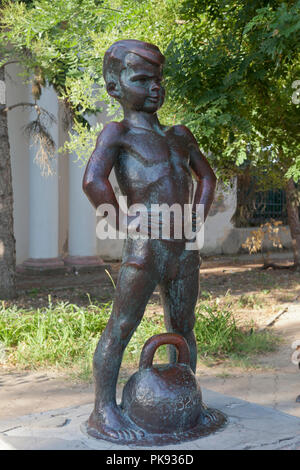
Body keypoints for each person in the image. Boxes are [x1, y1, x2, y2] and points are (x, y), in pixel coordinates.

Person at [83, 39, 217, 442]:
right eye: (142, 78)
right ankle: (104, 410)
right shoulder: (117, 133)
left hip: (183, 247)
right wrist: (123, 222)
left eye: (158, 79)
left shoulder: (179, 135)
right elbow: (93, 180)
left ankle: (186, 404)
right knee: (122, 325)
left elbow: (206, 177)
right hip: (145, 246)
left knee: (184, 325)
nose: (155, 87)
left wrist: (196, 216)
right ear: (114, 86)